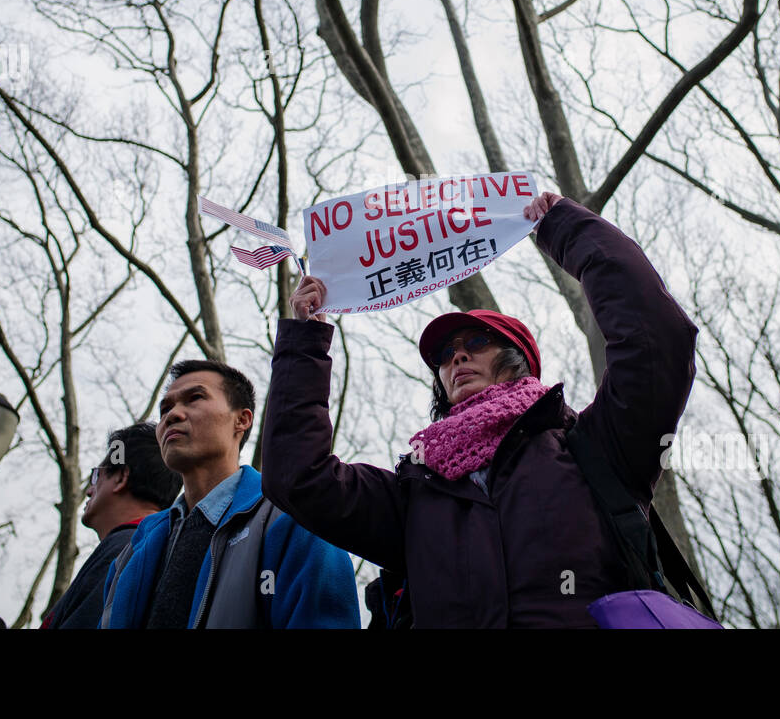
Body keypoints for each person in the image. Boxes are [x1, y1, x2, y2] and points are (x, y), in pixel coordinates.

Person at [261, 192, 699, 627]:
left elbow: (656, 341)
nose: (457, 358)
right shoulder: (415, 494)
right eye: (446, 356)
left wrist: (568, 228)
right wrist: (305, 344)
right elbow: (300, 478)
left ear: (518, 359)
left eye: (475, 343)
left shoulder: (597, 447)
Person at [100, 359, 360, 629]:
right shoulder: (138, 544)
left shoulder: (294, 517)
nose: (172, 415)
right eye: (165, 408)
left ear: (242, 420)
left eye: (195, 398)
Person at [41, 423, 180, 629]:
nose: (89, 490)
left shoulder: (125, 551)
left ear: (121, 477)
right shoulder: (162, 551)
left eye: (95, 476)